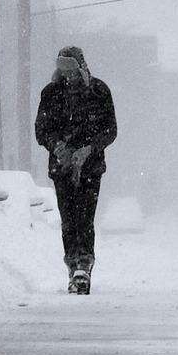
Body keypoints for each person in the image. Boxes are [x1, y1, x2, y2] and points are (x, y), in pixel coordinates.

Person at [33, 45, 118, 294]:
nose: (67, 76)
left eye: (71, 69)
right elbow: (41, 129)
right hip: (61, 168)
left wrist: (89, 149)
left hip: (90, 168)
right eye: (63, 70)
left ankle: (84, 265)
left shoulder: (99, 91)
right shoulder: (50, 93)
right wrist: (58, 146)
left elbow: (110, 129)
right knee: (69, 219)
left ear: (81, 67)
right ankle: (73, 263)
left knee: (85, 219)